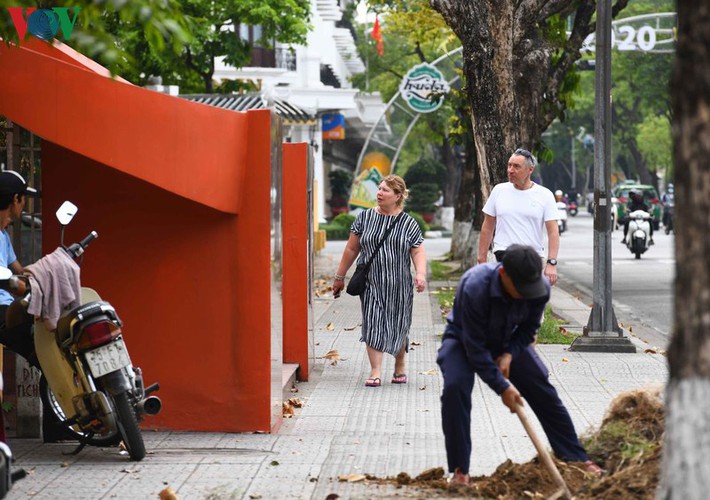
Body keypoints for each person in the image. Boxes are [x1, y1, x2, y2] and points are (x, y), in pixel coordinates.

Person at [437, 244, 602, 485]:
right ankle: (461, 471)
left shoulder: (539, 287)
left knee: (542, 389)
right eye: (521, 289)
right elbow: (475, 349)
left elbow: (528, 329)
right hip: (464, 340)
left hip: (510, 339)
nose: (527, 294)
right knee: (455, 388)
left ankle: (576, 458)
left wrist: (509, 354)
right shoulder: (474, 286)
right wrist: (503, 387)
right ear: (504, 274)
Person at [332, 175, 426, 387]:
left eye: (385, 190)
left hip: (399, 285)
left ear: (398, 196)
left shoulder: (408, 223)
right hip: (371, 283)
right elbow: (351, 249)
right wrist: (339, 276)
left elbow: (418, 250)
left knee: (398, 324)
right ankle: (375, 371)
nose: (379, 193)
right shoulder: (364, 218)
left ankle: (399, 364)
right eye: (379, 188)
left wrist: (420, 273)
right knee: (373, 323)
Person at [477, 148, 560, 286]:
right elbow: (487, 225)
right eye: (509, 165)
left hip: (532, 258)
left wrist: (552, 262)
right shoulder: (499, 190)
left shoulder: (544, 195)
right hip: (504, 255)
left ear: (530, 170)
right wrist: (481, 259)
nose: (510, 170)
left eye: (516, 166)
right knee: (504, 301)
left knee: (530, 302)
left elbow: (553, 232)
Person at [0, 171, 38, 363]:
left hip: (6, 306)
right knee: (36, 349)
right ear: (16, 199)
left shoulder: (4, 235)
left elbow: (20, 270)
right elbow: (10, 277)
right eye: (23, 199)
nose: (24, 205)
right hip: (1, 309)